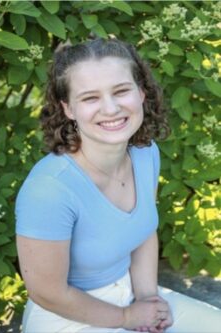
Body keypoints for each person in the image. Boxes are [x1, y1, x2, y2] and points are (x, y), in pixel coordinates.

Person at [15, 38, 221, 333]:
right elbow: (49, 294)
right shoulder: (49, 189)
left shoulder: (145, 153)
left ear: (141, 93)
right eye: (90, 98)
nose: (110, 108)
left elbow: (143, 234)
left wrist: (149, 301)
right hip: (69, 317)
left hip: (132, 294)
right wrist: (127, 319)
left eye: (121, 91)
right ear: (68, 108)